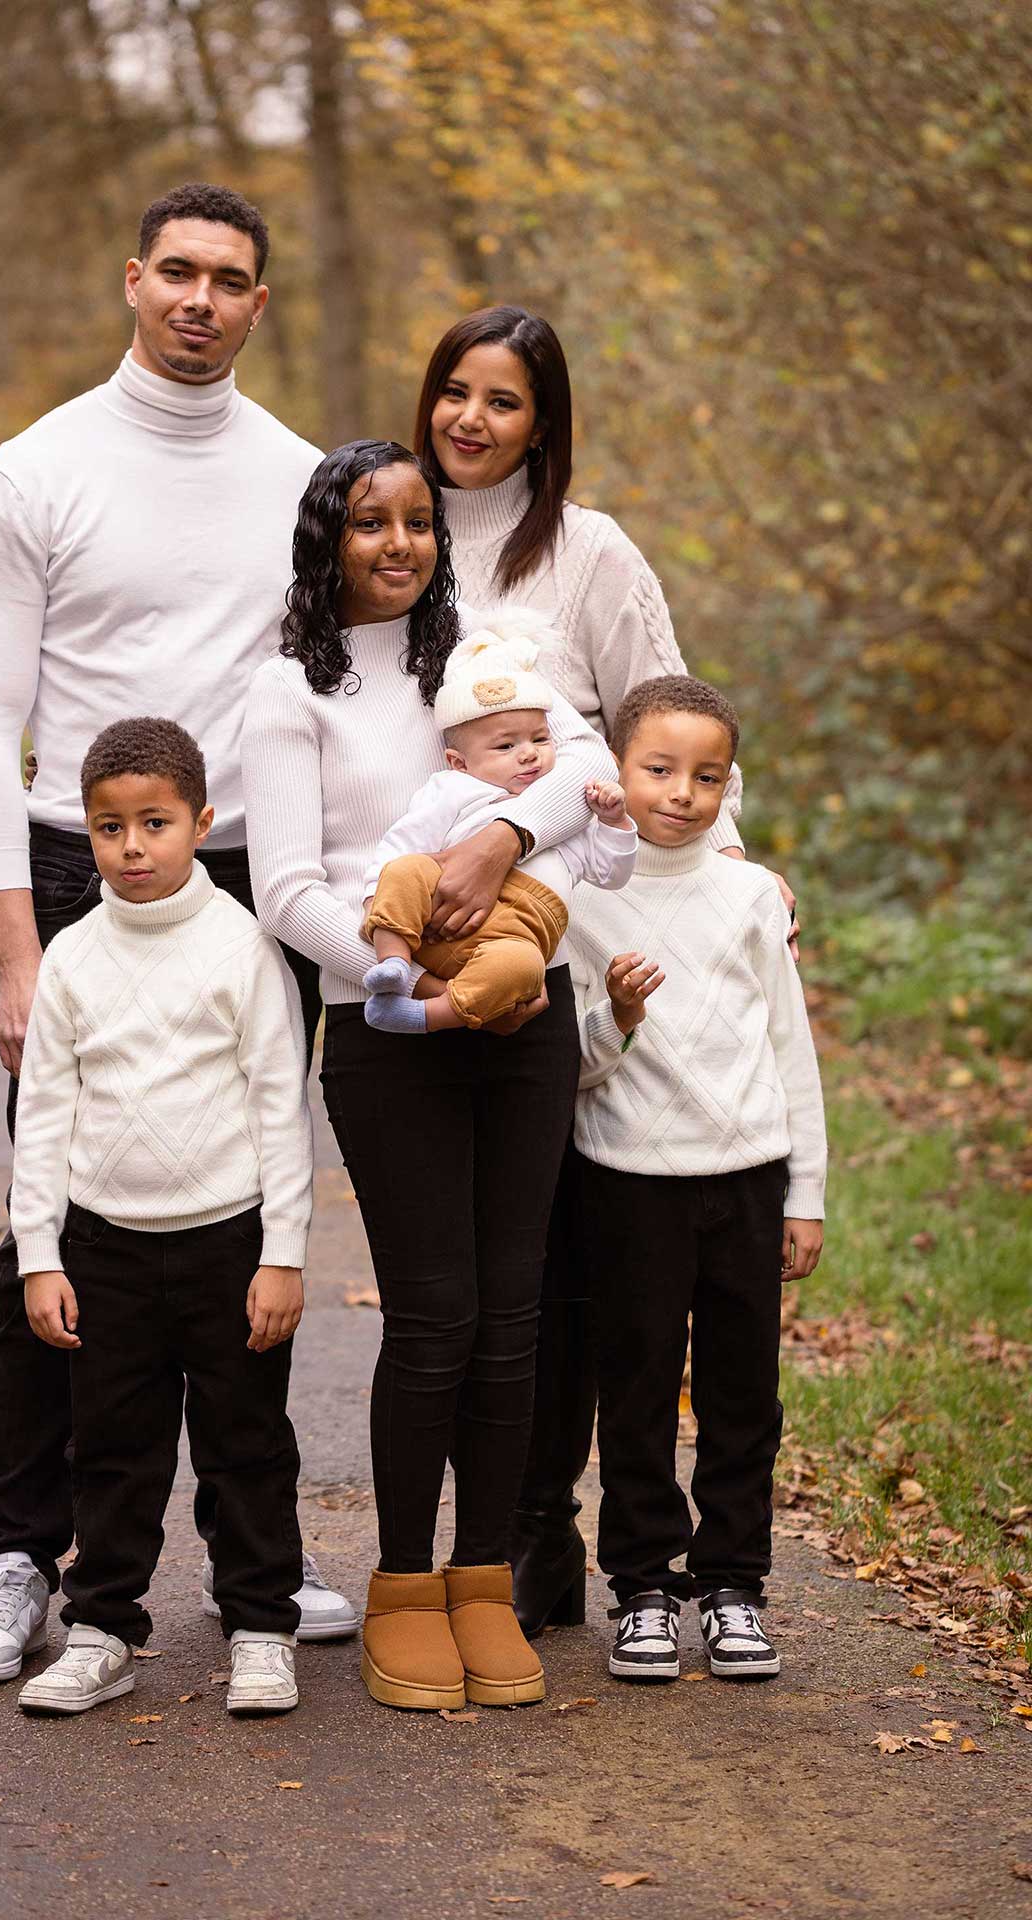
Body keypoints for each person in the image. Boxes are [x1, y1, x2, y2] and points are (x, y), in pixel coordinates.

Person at [0, 181, 354, 1689]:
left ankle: (263, 1558)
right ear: (132, 280)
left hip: (257, 874)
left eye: (228, 278)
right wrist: (11, 948)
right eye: (175, 270)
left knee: (247, 1199)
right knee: (63, 1203)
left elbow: (343, 694)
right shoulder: (33, 472)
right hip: (76, 871)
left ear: (258, 301)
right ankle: (16, 1554)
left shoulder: (305, 479)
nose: (199, 297)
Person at [413, 304, 794, 1635]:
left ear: (545, 421)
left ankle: (562, 1545)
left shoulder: (589, 552)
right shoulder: (394, 537)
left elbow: (662, 716)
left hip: (583, 931)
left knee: (582, 1249)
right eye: (455, 390)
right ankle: (521, 1526)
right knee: (490, 1262)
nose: (473, 418)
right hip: (437, 937)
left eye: (505, 400)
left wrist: (739, 877)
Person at [243, 439, 613, 1712]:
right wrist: (405, 986)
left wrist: (505, 835)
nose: (397, 542)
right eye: (367, 523)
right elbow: (288, 887)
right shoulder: (291, 691)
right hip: (389, 1033)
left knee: (512, 1319)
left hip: (524, 1018)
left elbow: (581, 768)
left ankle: (482, 1580)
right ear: (326, 540)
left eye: (414, 521)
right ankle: (403, 1585)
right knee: (435, 1317)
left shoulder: (479, 656)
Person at [5, 717, 311, 1717]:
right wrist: (40, 1258)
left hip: (227, 1241)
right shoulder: (75, 960)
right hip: (104, 1248)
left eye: (154, 823)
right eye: (108, 828)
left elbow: (279, 1104)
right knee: (113, 1448)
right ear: (85, 834)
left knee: (246, 1442)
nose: (131, 848)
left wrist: (283, 1255)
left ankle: (261, 1625)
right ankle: (101, 1629)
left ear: (200, 823)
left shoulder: (241, 947)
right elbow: (43, 1113)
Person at [568, 675, 826, 1680]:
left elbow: (787, 1046)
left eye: (704, 775)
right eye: (658, 769)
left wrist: (804, 1192)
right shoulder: (579, 898)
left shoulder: (752, 895)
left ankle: (731, 1587)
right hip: (629, 1178)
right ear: (616, 772)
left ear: (729, 784)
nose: (679, 792)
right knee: (633, 1389)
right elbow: (575, 1065)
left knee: (740, 1396)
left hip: (747, 1176)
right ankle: (640, 1588)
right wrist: (616, 1023)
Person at [361, 614, 636, 1034]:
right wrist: (377, 901)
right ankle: (393, 961)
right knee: (405, 869)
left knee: (525, 967)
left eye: (540, 740)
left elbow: (611, 874)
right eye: (506, 745)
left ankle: (425, 1016)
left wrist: (615, 822)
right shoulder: (452, 790)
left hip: (509, 942)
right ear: (459, 762)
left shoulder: (565, 809)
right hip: (433, 928)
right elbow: (400, 847)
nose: (528, 754)